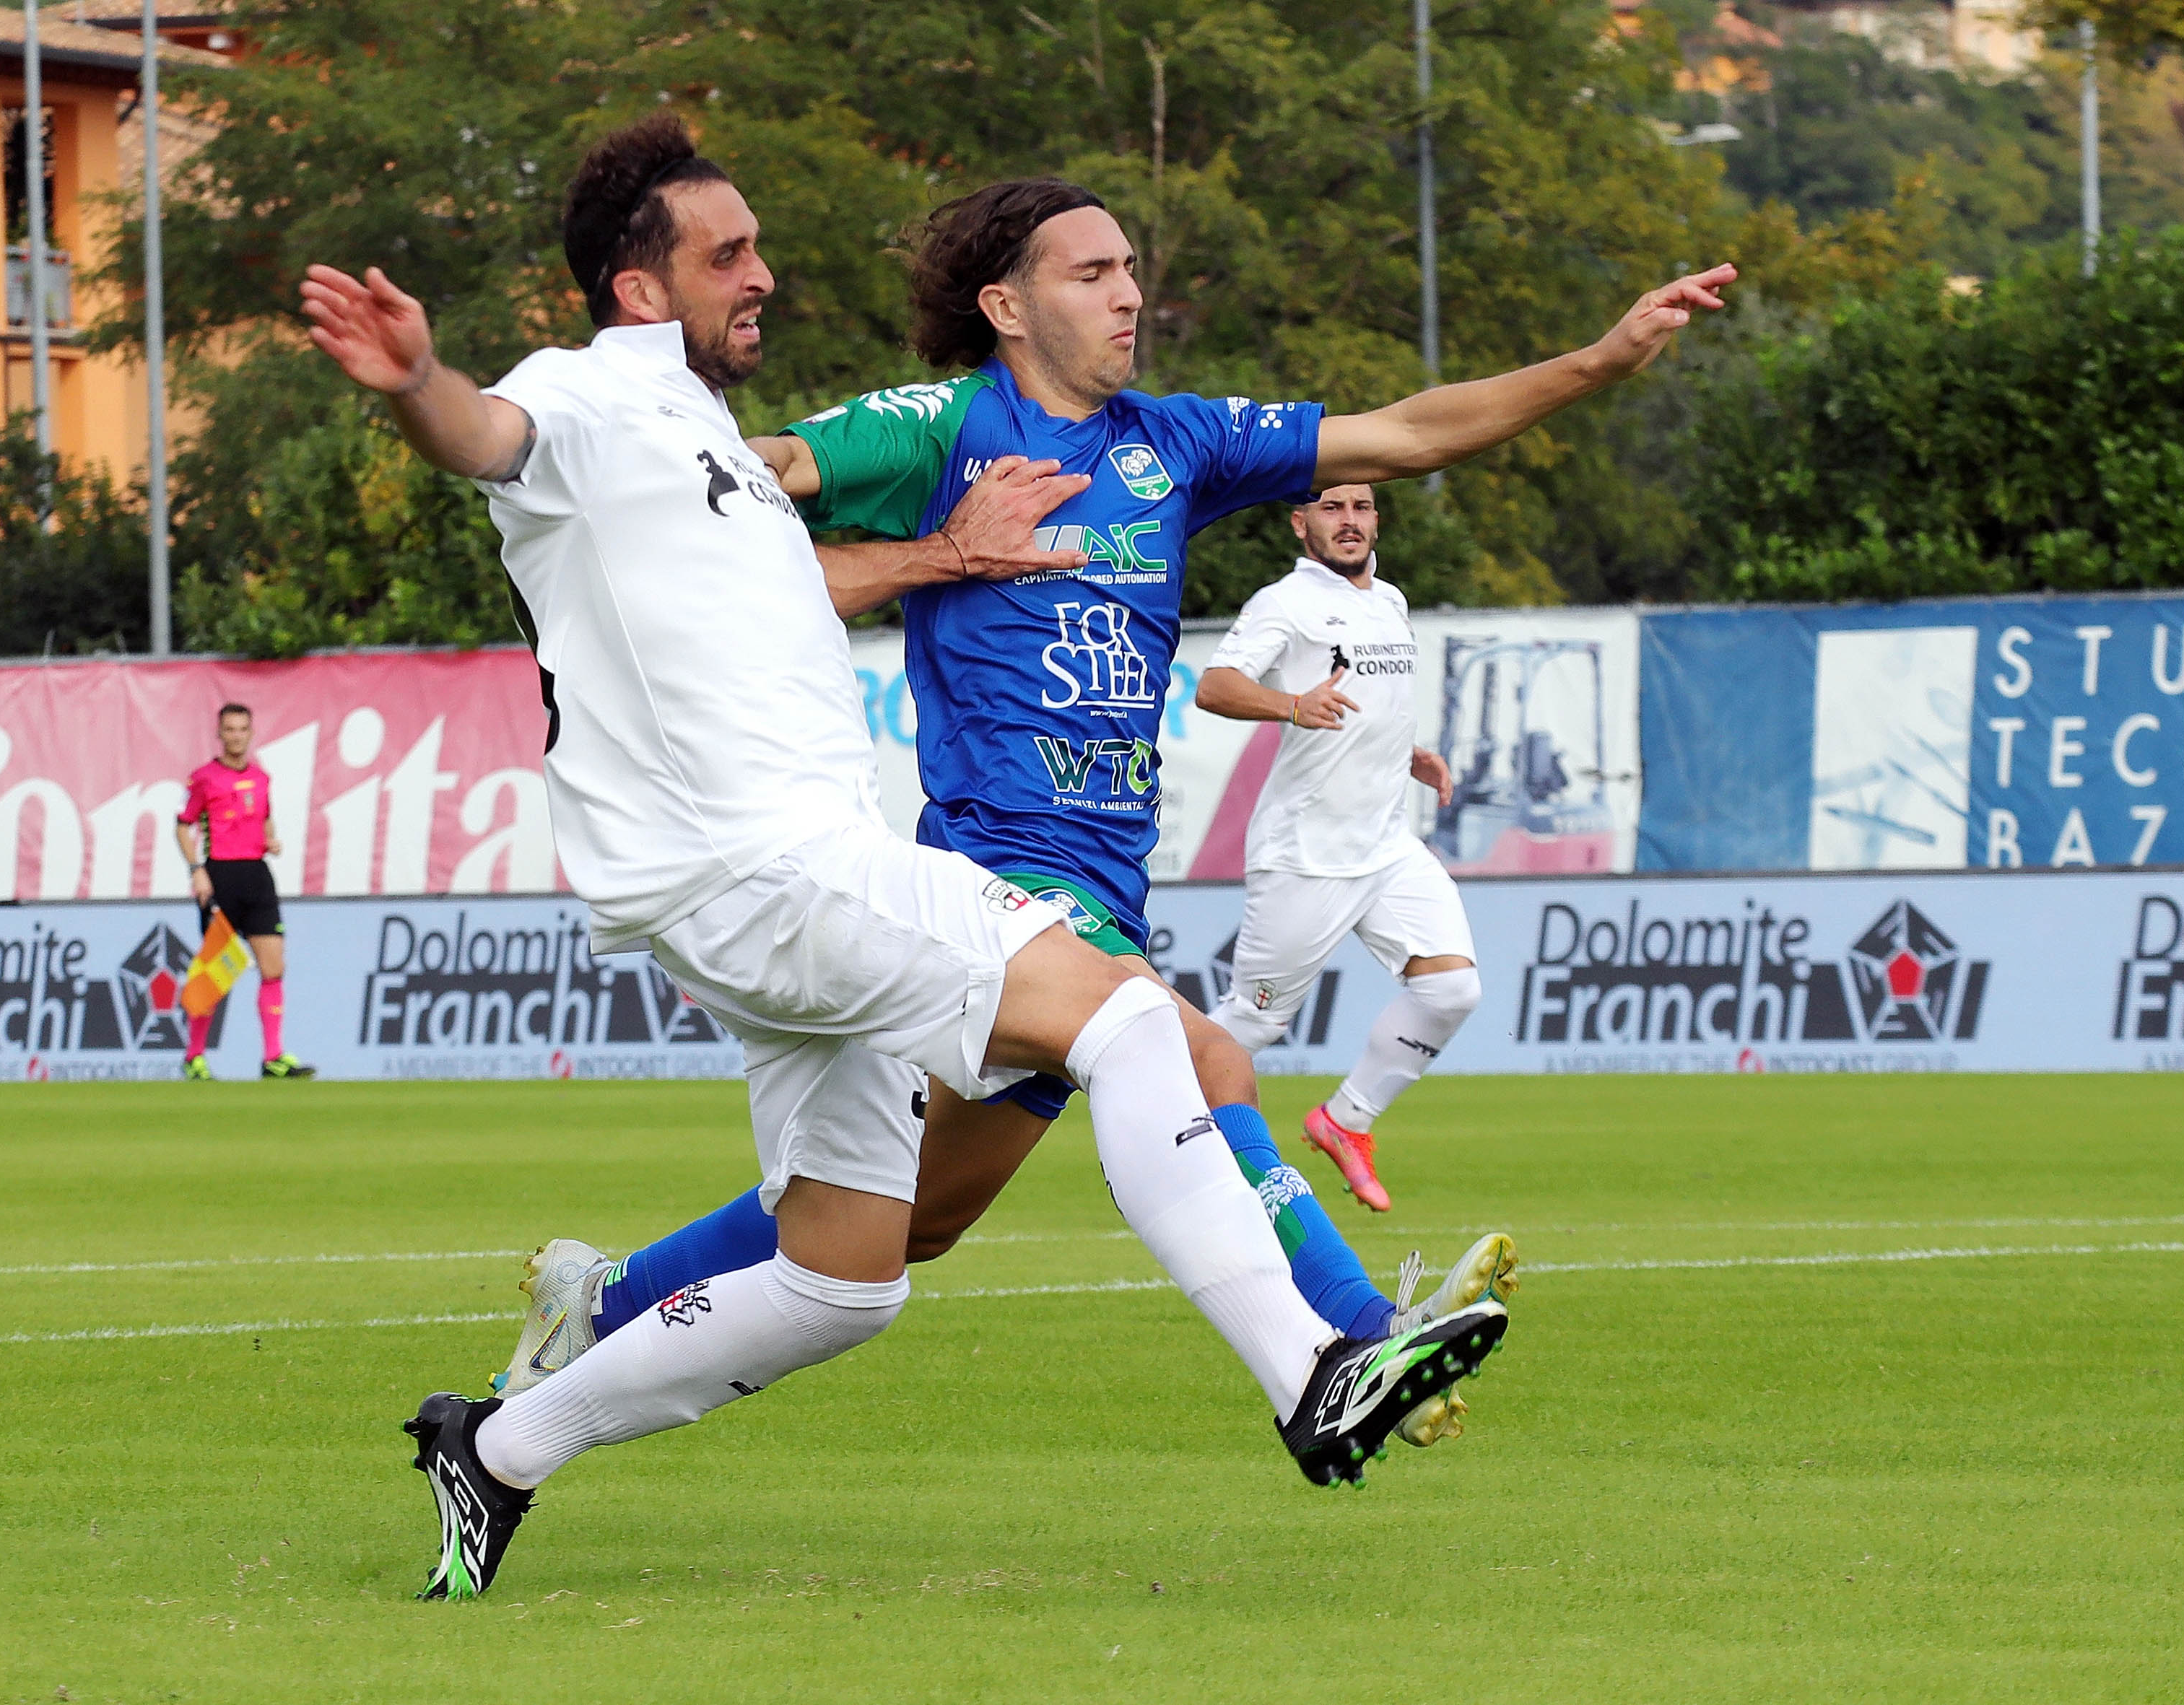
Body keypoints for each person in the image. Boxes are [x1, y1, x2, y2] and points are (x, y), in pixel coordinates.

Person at [303, 115, 1510, 1601]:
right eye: (725, 254)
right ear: (635, 288)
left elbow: (804, 586)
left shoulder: (705, 446)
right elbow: (486, 436)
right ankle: (1312, 1366)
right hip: (762, 862)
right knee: (1137, 1027)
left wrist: (948, 554)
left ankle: (496, 1447)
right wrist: (418, 381)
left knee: (843, 1273)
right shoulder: (592, 398)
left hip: (776, 870)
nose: (763, 275)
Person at [493, 178, 1730, 1434]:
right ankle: (1360, 1344)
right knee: (1202, 1053)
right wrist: (657, 475)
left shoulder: (1174, 441)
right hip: (993, 869)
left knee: (911, 1219)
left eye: (1128, 268)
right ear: (1006, 304)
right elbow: (741, 493)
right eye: (1089, 273)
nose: (1127, 291)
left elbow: (1405, 433)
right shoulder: (936, 427)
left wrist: (1601, 356)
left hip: (1105, 876)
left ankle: (598, 1299)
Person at [1195, 484, 1469, 1212]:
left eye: (1362, 507)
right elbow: (1214, 686)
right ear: (1301, 522)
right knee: (1249, 1023)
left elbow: (1366, 706)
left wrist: (1408, 753)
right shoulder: (1283, 601)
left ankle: (1345, 1121)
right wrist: (1291, 704)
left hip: (1384, 846)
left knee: (1452, 988)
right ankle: (1165, 1136)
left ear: (1377, 519)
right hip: (1304, 854)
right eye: (1331, 508)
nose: (1349, 522)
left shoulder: (1392, 601)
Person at [175, 702, 315, 1081]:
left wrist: (269, 840)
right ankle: (194, 1057)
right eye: (230, 730)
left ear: (251, 733)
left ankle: (272, 1058)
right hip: (221, 877)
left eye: (242, 729)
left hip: (257, 877)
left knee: (274, 968)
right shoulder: (204, 778)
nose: (236, 736)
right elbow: (183, 826)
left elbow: (264, 815)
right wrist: (197, 871)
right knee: (216, 972)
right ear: (219, 734)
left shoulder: (261, 777)